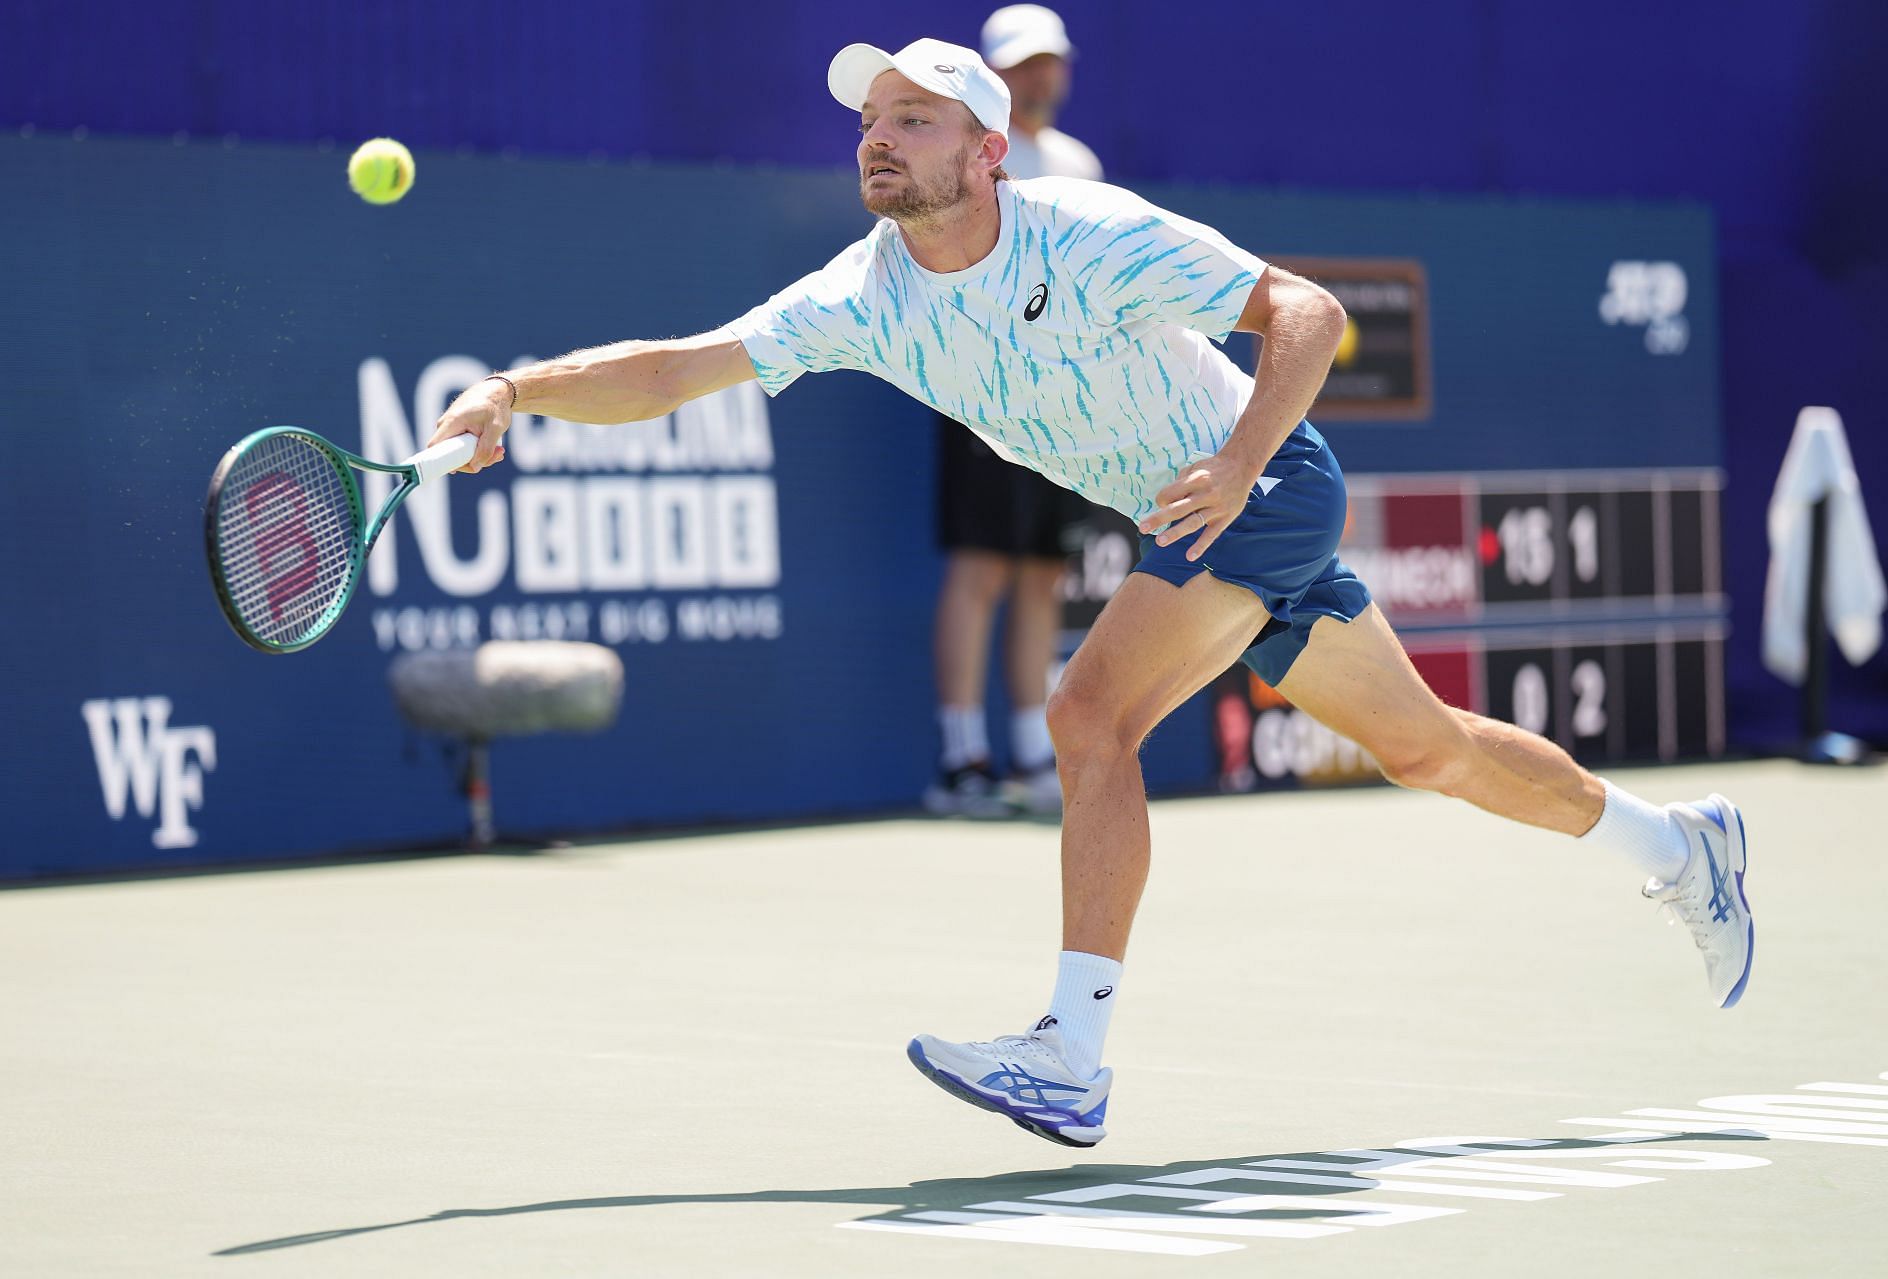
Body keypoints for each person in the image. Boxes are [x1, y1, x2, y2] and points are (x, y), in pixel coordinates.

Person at [426, 37, 1755, 1150]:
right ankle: (1682, 847)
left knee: (1086, 716)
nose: (875, 140)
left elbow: (1303, 313)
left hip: (1264, 480)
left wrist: (1237, 464)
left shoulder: (1096, 236)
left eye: (914, 119)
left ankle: (1071, 1050)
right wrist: (517, 392)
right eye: (869, 122)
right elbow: (674, 370)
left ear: (988, 150)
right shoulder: (865, 297)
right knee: (1432, 748)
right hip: (1209, 506)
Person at [925, 4, 1103, 818]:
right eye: (1023, 64)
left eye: (1049, 62)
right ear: (995, 78)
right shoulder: (965, 156)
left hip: (1059, 396)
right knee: (981, 567)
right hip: (976, 383)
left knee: (1042, 574)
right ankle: (962, 756)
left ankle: (1034, 752)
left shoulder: (1077, 163)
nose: (1040, 76)